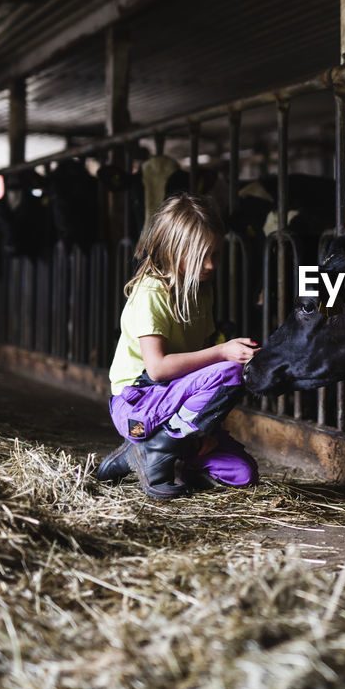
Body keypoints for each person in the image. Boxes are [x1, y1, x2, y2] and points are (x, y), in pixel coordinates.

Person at [96, 192, 259, 498]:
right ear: (174, 250)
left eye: (217, 254)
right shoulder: (152, 292)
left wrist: (207, 430)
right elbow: (157, 369)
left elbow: (200, 371)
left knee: (243, 475)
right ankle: (155, 452)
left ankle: (144, 454)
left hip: (174, 406)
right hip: (138, 407)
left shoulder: (201, 291)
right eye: (202, 256)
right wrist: (224, 352)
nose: (211, 265)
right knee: (229, 372)